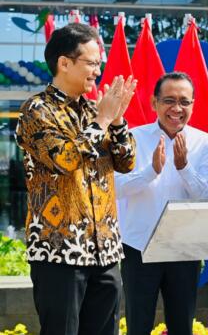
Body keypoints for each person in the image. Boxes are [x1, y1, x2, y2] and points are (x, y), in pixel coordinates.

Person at [15, 23, 137, 335]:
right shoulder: (36, 110)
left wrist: (118, 119)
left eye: (100, 64)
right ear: (64, 63)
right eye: (92, 63)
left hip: (106, 251)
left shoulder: (96, 110)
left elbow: (127, 161)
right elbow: (65, 160)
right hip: (59, 251)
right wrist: (104, 120)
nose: (98, 71)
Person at [115, 72, 208, 335]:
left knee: (182, 325)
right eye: (169, 100)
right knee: (138, 324)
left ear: (193, 104)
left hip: (184, 249)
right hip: (139, 246)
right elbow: (115, 189)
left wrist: (184, 168)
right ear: (154, 103)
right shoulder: (132, 139)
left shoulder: (206, 143)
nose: (176, 108)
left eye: (184, 102)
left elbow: (207, 198)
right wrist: (150, 171)